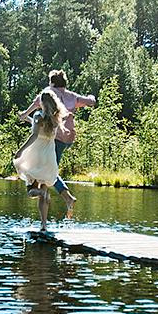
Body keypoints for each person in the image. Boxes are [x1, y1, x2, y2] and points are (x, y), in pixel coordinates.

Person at [21, 69, 96, 218]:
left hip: (53, 138)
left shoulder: (48, 92)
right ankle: (43, 223)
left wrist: (24, 114)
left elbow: (36, 104)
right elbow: (91, 102)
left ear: (52, 82)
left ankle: (67, 198)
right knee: (46, 173)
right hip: (67, 139)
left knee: (47, 172)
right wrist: (91, 96)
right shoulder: (72, 96)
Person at [12, 89, 68, 232]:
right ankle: (43, 225)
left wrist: (20, 151)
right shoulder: (56, 118)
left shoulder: (38, 115)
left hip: (36, 154)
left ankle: (40, 193)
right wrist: (29, 120)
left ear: (42, 103)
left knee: (31, 191)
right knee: (43, 187)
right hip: (49, 156)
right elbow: (44, 129)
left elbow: (35, 135)